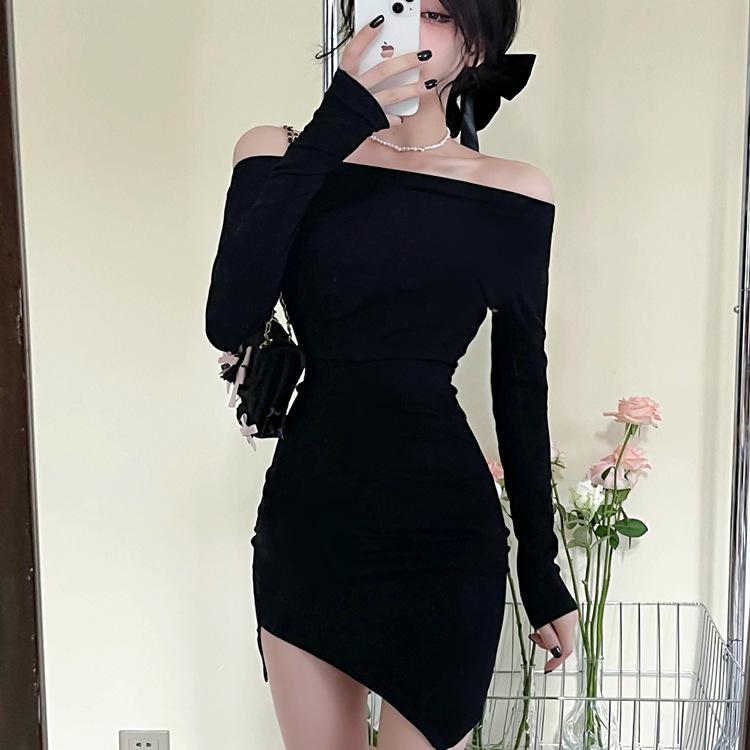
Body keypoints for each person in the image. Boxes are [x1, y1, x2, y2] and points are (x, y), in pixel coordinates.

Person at [204, 1, 578, 748]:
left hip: (445, 536)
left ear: (476, 46)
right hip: (312, 527)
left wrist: (540, 570)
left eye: (431, 12)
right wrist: (341, 118)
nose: (400, 27)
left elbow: (519, 386)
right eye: (385, 3)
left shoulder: (514, 192)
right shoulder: (279, 153)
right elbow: (229, 318)